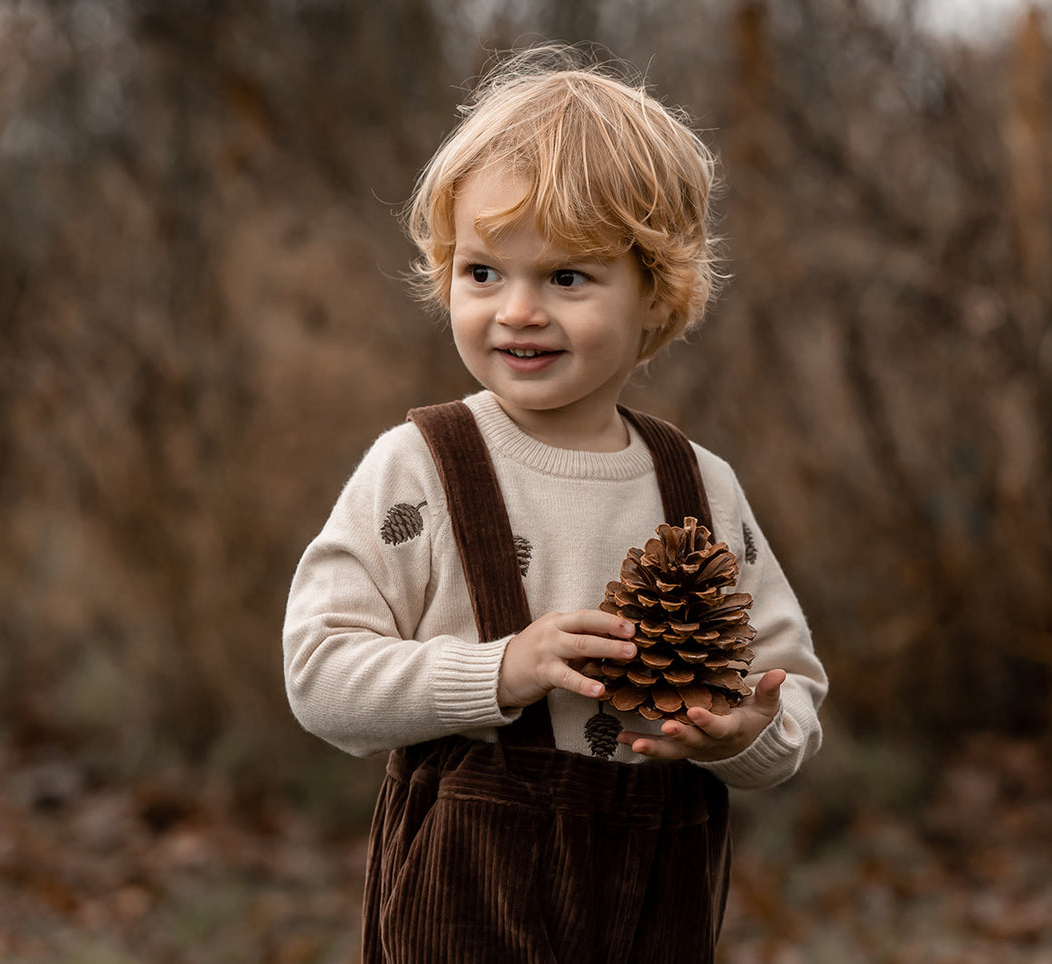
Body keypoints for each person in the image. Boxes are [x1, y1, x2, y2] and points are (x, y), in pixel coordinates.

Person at [282, 45, 828, 963]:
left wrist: (746, 735)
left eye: (566, 278)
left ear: (656, 292)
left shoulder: (698, 488)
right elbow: (321, 675)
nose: (518, 311)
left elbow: (788, 691)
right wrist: (498, 671)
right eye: (483, 272)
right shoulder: (421, 468)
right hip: (466, 890)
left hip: (656, 880)